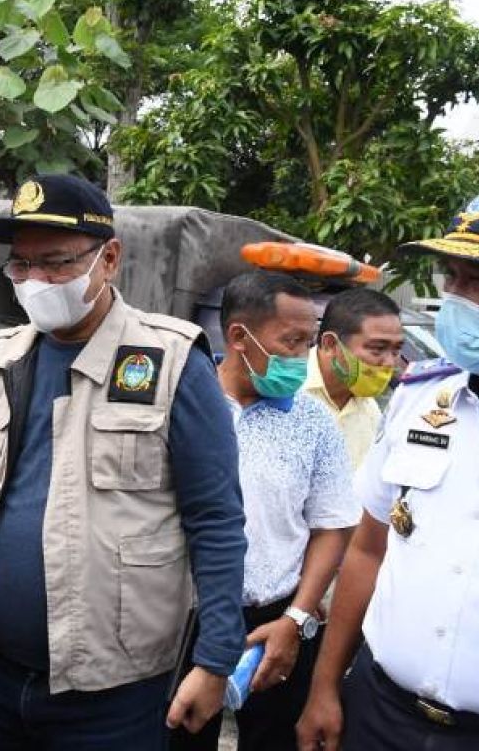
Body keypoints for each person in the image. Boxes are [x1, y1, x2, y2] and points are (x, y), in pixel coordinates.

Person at [0, 173, 247, 750]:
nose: (36, 282)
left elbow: (216, 521)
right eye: (21, 266)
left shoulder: (169, 363)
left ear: (110, 258)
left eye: (55, 263)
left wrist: (215, 660)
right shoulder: (0, 358)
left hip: (113, 693)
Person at [296, 212, 479, 751]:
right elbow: (368, 551)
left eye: (476, 281)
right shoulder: (419, 398)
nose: (455, 296)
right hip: (380, 713)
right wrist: (325, 687)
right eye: (452, 276)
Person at [174, 271, 358, 751]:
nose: (303, 358)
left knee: (273, 739)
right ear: (239, 336)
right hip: (187, 620)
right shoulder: (186, 406)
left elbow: (332, 526)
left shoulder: (312, 420)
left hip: (275, 620)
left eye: (309, 342)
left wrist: (296, 618)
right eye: (292, 341)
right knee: (180, 736)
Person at [303, 288, 403, 469]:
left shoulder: (370, 409)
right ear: (330, 344)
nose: (389, 362)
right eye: (377, 349)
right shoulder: (285, 395)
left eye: (396, 351)